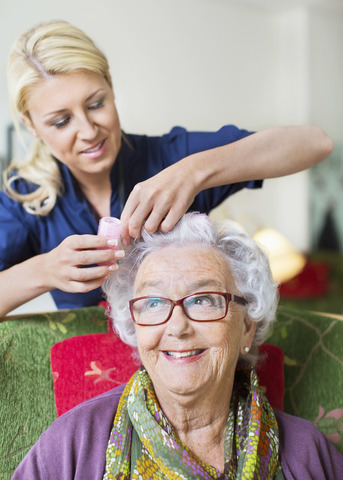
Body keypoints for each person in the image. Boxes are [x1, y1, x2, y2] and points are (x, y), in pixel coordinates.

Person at [0, 20, 334, 317]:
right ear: (31, 124)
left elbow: (315, 143)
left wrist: (193, 172)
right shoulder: (24, 197)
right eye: (61, 121)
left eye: (96, 104)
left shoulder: (170, 156)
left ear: (111, 85)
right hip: (93, 373)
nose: (88, 131)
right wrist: (44, 270)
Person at [11, 212, 343, 479]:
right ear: (134, 327)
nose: (177, 327)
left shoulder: (305, 452)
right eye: (154, 303)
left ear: (246, 327)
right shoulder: (74, 445)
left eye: (203, 300)